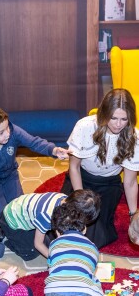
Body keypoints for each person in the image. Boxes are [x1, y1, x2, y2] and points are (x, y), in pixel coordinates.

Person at [60, 89, 139, 249]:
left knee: (96, 234)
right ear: (104, 113)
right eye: (113, 118)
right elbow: (74, 167)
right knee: (66, 225)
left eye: (124, 119)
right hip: (81, 179)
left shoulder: (134, 137)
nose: (118, 124)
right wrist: (79, 199)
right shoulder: (85, 126)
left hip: (109, 184)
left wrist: (133, 214)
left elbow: (130, 182)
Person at [0, 104, 70, 223]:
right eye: (1, 133)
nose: (7, 133)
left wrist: (53, 150)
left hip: (10, 176)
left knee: (20, 209)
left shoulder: (13, 131)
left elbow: (34, 142)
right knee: (1, 217)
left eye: (7, 127)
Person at [0, 189, 100, 261]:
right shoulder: (47, 215)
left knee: (49, 243)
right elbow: (38, 244)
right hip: (12, 221)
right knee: (31, 253)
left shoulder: (65, 200)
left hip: (25, 212)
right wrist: (54, 260)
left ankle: (8, 232)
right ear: (73, 214)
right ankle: (5, 235)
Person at [44, 203, 103, 296]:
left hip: (55, 289)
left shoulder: (53, 244)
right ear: (84, 229)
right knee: (95, 283)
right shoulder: (93, 247)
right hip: (84, 290)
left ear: (57, 232)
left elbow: (50, 265)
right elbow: (92, 269)